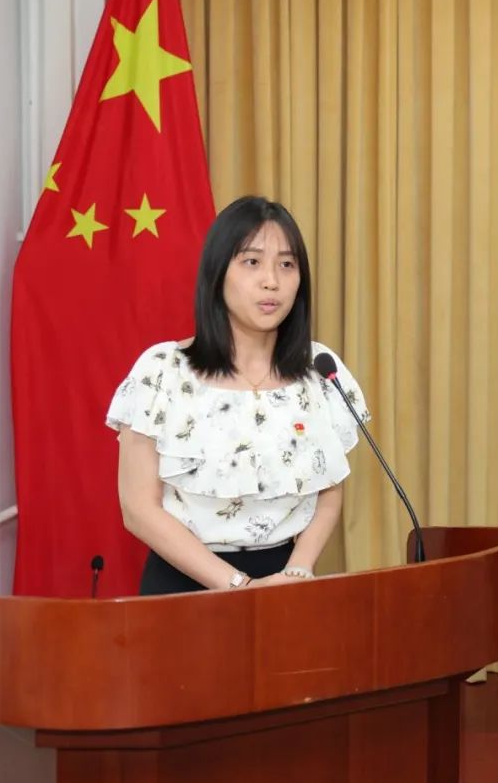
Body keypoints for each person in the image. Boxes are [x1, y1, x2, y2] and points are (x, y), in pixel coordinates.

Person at [106, 195, 369, 595]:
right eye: (252, 262)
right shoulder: (162, 371)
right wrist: (239, 587)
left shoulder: (319, 369)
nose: (271, 281)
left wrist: (297, 572)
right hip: (182, 586)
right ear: (217, 274)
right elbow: (138, 508)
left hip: (285, 585)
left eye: (287, 264)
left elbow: (330, 489)